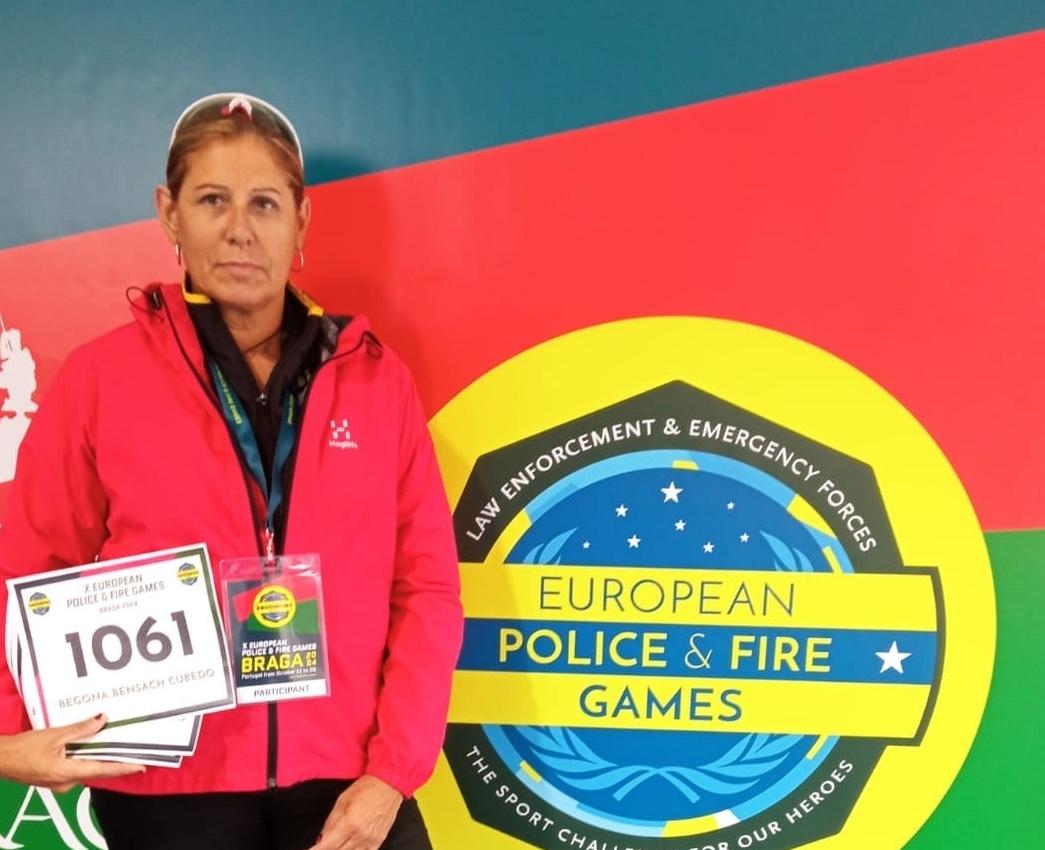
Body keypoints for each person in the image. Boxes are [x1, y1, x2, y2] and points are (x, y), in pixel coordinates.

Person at [0, 92, 463, 850]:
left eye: (265, 204)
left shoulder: (377, 382)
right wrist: (9, 733)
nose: (240, 229)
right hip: (168, 788)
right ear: (169, 213)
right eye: (212, 200)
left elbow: (427, 588)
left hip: (346, 779)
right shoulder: (99, 381)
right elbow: (25, 568)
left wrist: (394, 771)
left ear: (301, 221)